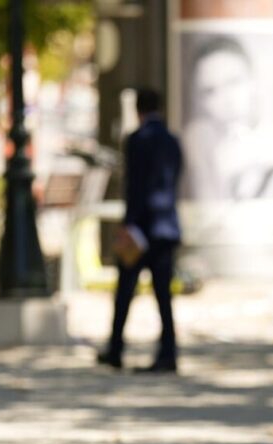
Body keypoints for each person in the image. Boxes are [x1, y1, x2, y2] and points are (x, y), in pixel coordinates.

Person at [98, 88, 183, 373]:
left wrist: (129, 224)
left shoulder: (137, 140)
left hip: (141, 229)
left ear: (138, 110)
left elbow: (135, 187)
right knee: (163, 296)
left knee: (124, 292)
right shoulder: (172, 141)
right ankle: (168, 352)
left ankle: (116, 349)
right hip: (165, 227)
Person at [182, 36, 273, 201]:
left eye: (234, 82)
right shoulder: (199, 141)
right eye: (210, 91)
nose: (226, 99)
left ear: (254, 81)